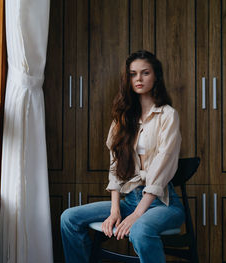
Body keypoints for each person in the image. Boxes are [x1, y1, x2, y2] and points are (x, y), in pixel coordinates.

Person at [60, 50, 185, 263]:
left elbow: (163, 164)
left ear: (155, 77)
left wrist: (137, 215)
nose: (138, 79)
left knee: (140, 230)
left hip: (162, 203)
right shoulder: (122, 118)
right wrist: (115, 210)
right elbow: (115, 167)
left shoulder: (167, 115)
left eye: (145, 73)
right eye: (133, 74)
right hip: (130, 199)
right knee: (69, 218)